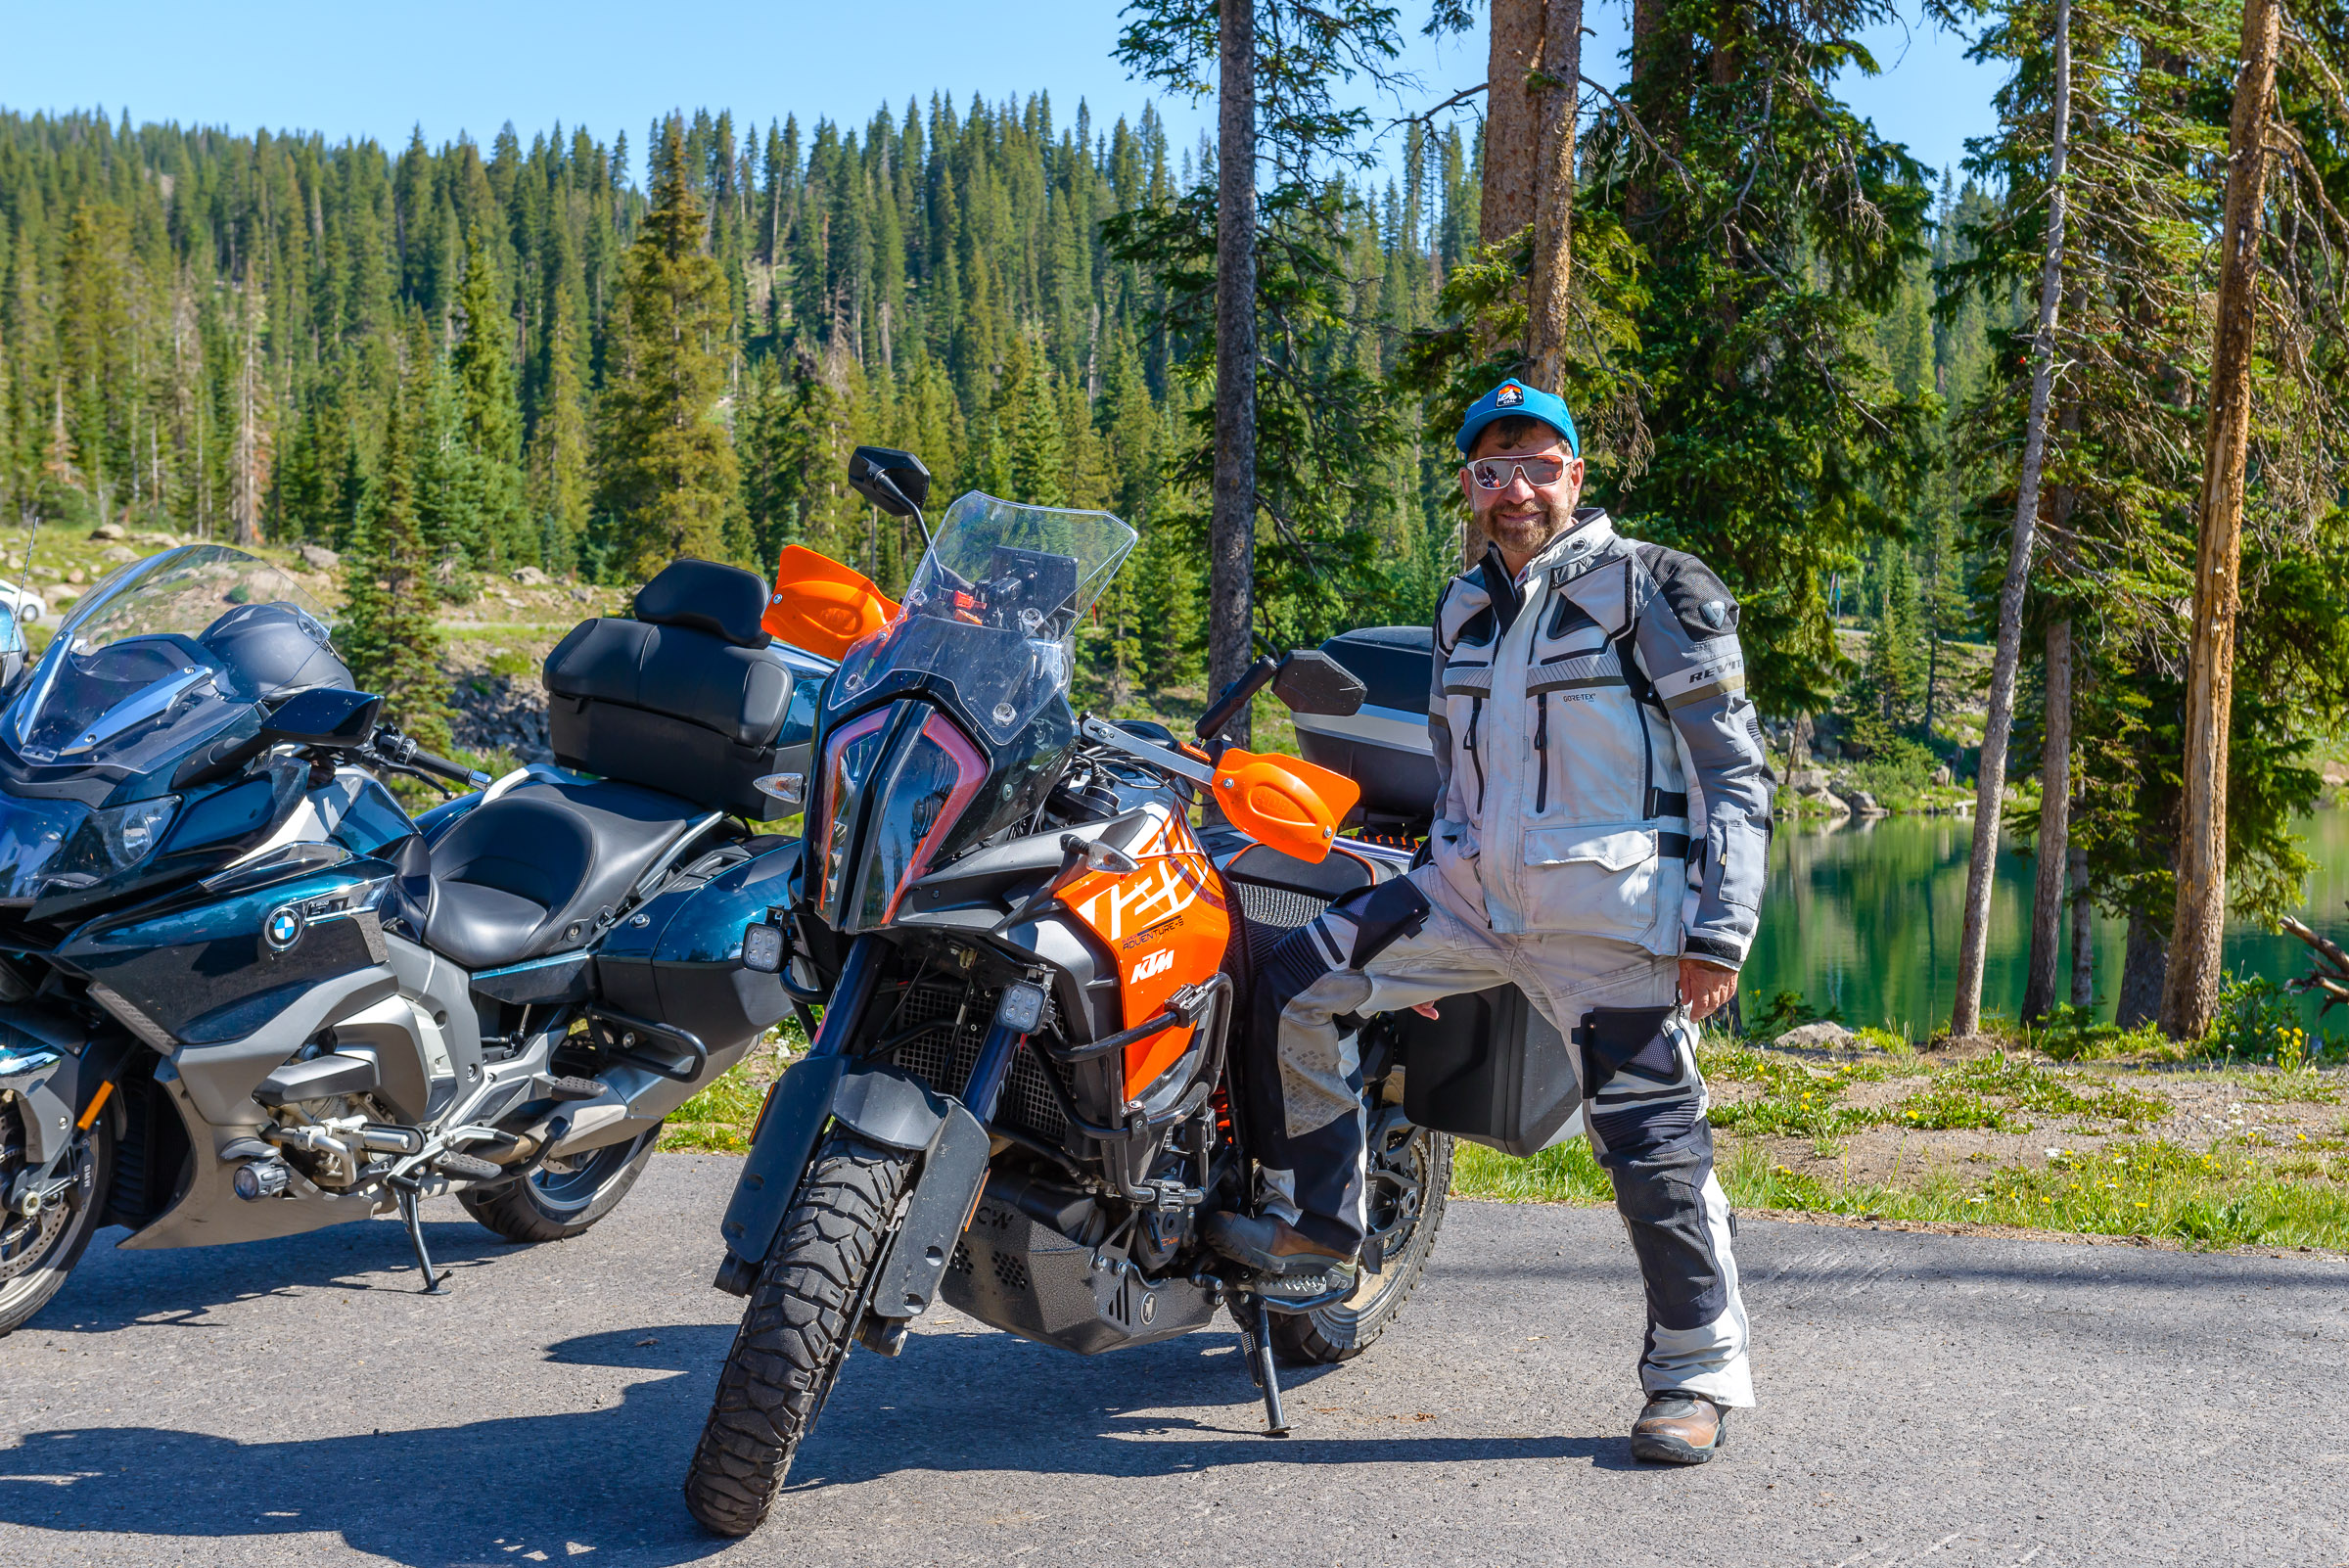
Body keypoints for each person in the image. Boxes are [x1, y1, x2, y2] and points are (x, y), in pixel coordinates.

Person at [1204, 378, 1772, 1465]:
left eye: (1537, 465)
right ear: (1470, 483)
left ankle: (1694, 1375)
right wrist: (1432, 866)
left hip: (1609, 920)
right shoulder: (1462, 606)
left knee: (1652, 1149)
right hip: (1468, 896)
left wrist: (1719, 931)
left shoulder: (1653, 588)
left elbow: (1733, 776)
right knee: (1288, 984)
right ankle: (1327, 1228)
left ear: (1576, 474)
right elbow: (1460, 773)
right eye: (1491, 469)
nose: (1515, 489)